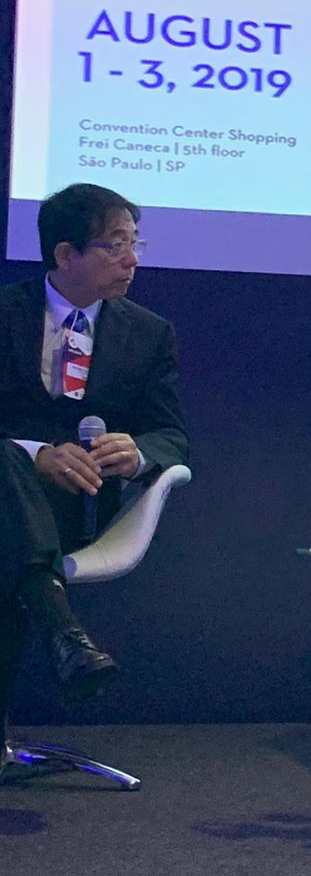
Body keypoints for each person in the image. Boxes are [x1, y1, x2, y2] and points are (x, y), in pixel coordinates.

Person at [0, 183, 188, 715]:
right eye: (115, 245)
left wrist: (138, 453)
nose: (132, 260)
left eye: (135, 244)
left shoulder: (148, 334)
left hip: (77, 509)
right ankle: (63, 631)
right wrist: (35, 455)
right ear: (65, 254)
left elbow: (170, 433)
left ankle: (54, 621)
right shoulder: (6, 314)